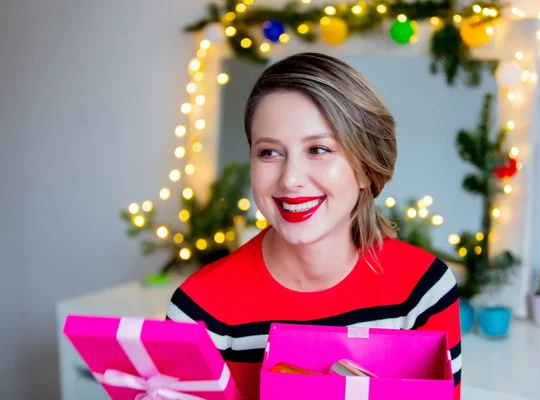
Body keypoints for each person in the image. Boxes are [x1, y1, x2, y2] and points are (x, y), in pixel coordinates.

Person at [166, 52, 462, 400]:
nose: (290, 180)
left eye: (318, 149)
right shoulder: (198, 310)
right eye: (269, 153)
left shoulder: (423, 291)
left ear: (366, 168)